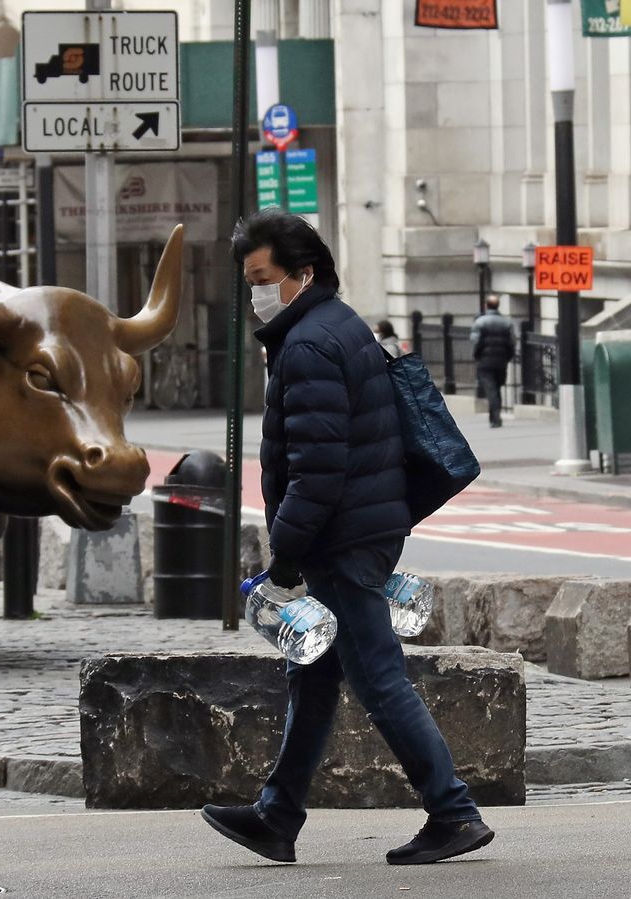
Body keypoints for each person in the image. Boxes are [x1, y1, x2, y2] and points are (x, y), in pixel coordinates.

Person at [200, 209, 493, 866]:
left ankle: (453, 810)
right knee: (314, 672)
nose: (256, 292)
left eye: (264, 277)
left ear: (303, 274)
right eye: (249, 280)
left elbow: (318, 468)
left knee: (379, 677)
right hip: (363, 525)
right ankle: (277, 814)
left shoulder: (306, 346)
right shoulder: (336, 324)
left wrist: (286, 555)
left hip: (342, 538)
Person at [470, 295, 515, 428]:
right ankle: (495, 415)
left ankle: (495, 418)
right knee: (497, 388)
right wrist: (508, 357)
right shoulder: (507, 323)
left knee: (491, 389)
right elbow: (512, 342)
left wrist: (476, 356)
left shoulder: (480, 322)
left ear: (486, 305)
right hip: (501, 361)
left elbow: (475, 342)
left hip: (485, 361)